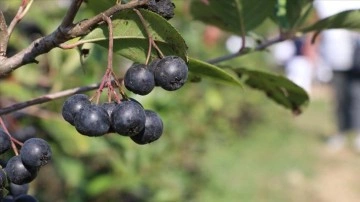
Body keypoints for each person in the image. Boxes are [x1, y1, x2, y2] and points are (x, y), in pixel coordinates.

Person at [314, 0, 360, 152]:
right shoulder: (325, 3)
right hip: (336, 57)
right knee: (340, 98)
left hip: (356, 59)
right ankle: (341, 132)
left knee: (356, 96)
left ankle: (357, 134)